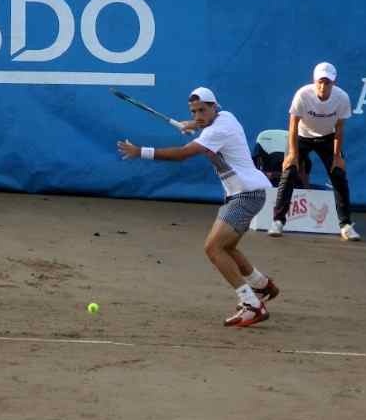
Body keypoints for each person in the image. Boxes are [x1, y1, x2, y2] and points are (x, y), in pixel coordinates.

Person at [116, 87, 280, 328]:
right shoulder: (226, 117)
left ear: (215, 106)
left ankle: (252, 304)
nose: (198, 115)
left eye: (202, 110)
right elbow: (206, 127)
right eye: (194, 112)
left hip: (245, 195)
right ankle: (262, 284)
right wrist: (194, 125)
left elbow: (182, 154)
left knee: (213, 249)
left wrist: (141, 151)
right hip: (245, 194)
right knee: (229, 248)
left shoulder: (218, 130)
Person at [268, 62, 359, 241]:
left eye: (327, 83)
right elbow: (293, 124)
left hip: (328, 137)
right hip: (302, 136)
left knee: (338, 173)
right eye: (320, 82)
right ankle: (278, 221)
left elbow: (339, 129)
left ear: (334, 83)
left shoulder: (342, 98)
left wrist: (336, 156)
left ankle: (346, 225)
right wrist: (293, 154)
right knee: (289, 172)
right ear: (314, 81)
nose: (323, 87)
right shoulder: (303, 95)